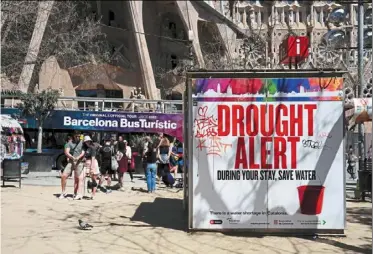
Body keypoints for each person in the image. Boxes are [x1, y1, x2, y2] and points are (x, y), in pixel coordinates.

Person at [60, 132, 85, 200]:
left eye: (79, 136)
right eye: (76, 136)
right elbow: (67, 152)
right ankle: (63, 192)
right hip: (71, 161)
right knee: (64, 176)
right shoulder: (69, 143)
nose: (78, 137)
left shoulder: (82, 143)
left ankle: (76, 193)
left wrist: (78, 157)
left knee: (77, 178)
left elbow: (83, 152)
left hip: (79, 162)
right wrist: (72, 157)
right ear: (74, 136)